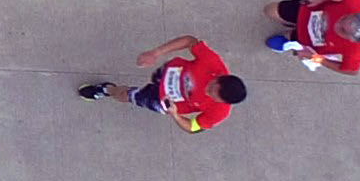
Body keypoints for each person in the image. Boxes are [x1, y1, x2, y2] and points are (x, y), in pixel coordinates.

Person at [79, 35, 245, 130]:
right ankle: (153, 80)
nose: (207, 92)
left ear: (223, 102)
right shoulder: (213, 63)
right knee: (154, 78)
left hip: (163, 101)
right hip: (167, 73)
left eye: (212, 96)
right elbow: (189, 41)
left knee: (128, 95)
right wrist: (156, 53)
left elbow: (194, 127)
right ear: (219, 76)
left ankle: (107, 90)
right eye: (211, 87)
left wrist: (175, 115)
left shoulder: (219, 112)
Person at [267, 0, 360, 75]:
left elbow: (351, 71)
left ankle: (289, 37)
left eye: (342, 30)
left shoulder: (355, 50)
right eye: (343, 18)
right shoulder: (355, 3)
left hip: (308, 42)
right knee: (269, 10)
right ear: (355, 14)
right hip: (306, 11)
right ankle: (290, 25)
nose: (336, 24)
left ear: (352, 40)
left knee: (290, 37)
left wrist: (316, 58)